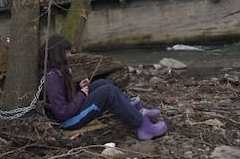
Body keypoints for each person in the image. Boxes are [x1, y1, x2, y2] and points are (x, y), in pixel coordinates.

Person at [39, 34, 168, 140]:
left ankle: (136, 111)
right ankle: (141, 126)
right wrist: (82, 94)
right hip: (69, 121)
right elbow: (62, 112)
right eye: (67, 52)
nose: (70, 55)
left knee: (102, 83)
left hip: (72, 111)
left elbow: (64, 96)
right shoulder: (53, 77)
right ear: (58, 54)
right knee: (108, 92)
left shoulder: (57, 72)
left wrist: (79, 88)